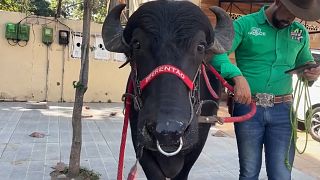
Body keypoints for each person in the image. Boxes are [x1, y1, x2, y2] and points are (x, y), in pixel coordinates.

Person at [210, 0, 320, 179]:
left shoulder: (300, 33)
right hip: (248, 107)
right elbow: (217, 53)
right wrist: (237, 76)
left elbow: (304, 65)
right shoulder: (245, 25)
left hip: (283, 112)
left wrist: (311, 73)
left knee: (281, 174)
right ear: (278, 2)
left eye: (296, 15)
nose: (291, 19)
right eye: (289, 12)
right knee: (249, 172)